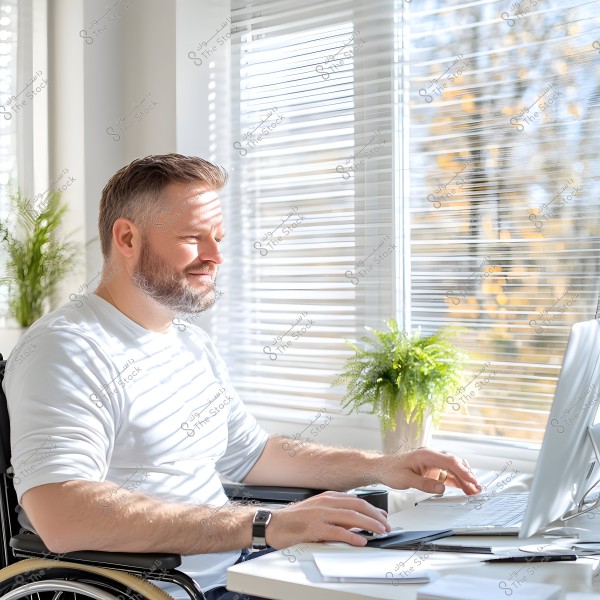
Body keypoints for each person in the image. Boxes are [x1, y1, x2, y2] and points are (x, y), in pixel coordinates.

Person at [3, 154, 481, 600]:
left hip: (249, 569)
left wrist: (381, 465)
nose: (215, 255)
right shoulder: (64, 347)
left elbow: (255, 454)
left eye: (219, 238)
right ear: (127, 239)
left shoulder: (190, 343)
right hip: (176, 590)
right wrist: (264, 524)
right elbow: (61, 512)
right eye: (194, 237)